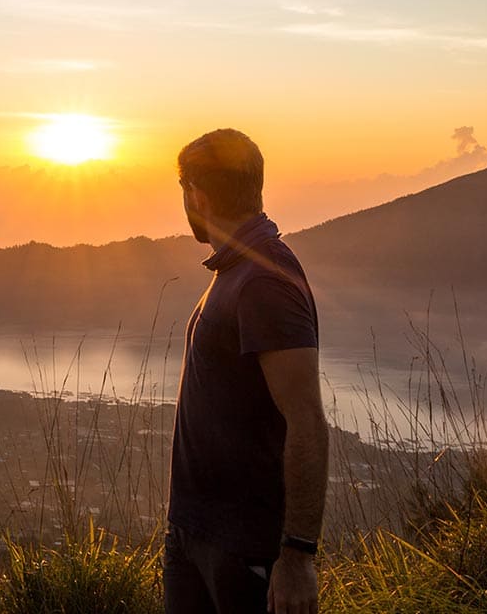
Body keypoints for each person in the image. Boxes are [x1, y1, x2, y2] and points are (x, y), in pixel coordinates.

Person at [164, 129, 327, 614]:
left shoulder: (263, 280)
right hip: (197, 537)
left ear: (196, 195)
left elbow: (307, 422)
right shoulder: (236, 271)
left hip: (242, 554)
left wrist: (298, 555)